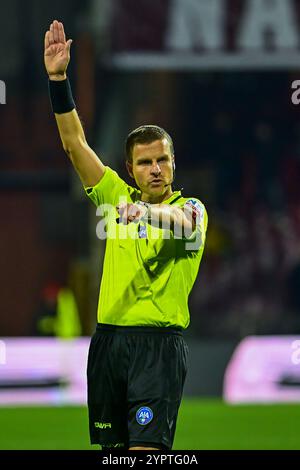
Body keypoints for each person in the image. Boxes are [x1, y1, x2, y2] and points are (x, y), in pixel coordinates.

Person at [44, 20, 208, 451]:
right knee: (112, 453)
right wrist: (59, 80)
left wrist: (146, 212)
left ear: (173, 164)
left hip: (157, 350)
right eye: (145, 162)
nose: (156, 169)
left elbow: (185, 226)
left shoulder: (190, 209)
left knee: (145, 454)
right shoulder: (114, 195)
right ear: (130, 168)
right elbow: (74, 144)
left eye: (163, 160)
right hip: (108, 344)